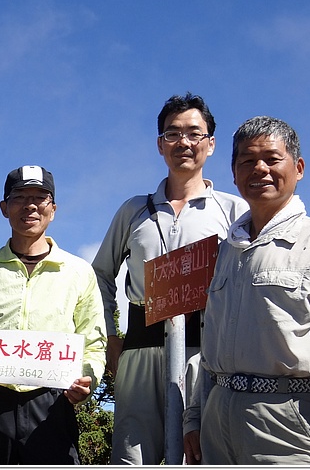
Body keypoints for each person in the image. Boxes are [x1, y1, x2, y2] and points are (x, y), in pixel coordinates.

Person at [182, 116, 310, 464]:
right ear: (234, 173)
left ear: (298, 168)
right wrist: (196, 415)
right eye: (247, 161)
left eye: (272, 159)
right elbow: (209, 342)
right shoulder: (225, 250)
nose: (259, 169)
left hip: (290, 422)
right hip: (217, 422)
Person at [91, 93, 248, 464]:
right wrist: (110, 339)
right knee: (133, 455)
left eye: (194, 133)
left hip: (206, 353)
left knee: (201, 453)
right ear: (160, 144)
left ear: (210, 143)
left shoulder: (233, 210)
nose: (184, 143)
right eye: (173, 134)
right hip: (140, 350)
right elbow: (100, 274)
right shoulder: (134, 210)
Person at [0, 165, 107, 465]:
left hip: (53, 404)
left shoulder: (78, 272)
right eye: (19, 196)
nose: (30, 205)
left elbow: (94, 342)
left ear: (53, 209)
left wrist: (87, 379)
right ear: (4, 208)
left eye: (40, 198)